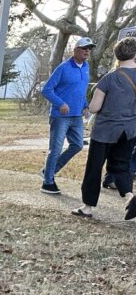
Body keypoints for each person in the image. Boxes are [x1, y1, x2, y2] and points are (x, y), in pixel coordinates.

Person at [72, 37, 136, 220]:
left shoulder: (109, 79)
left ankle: (87, 207)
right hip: (130, 131)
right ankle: (130, 196)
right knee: (121, 166)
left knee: (94, 167)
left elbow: (94, 108)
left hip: (105, 131)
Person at [41, 36, 94, 195]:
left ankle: (50, 170)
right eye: (84, 48)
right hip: (60, 116)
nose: (87, 51)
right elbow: (46, 89)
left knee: (77, 145)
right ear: (76, 50)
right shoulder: (63, 68)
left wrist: (85, 106)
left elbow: (80, 90)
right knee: (55, 149)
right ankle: (47, 182)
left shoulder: (86, 67)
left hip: (77, 116)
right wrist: (60, 103)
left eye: (89, 49)